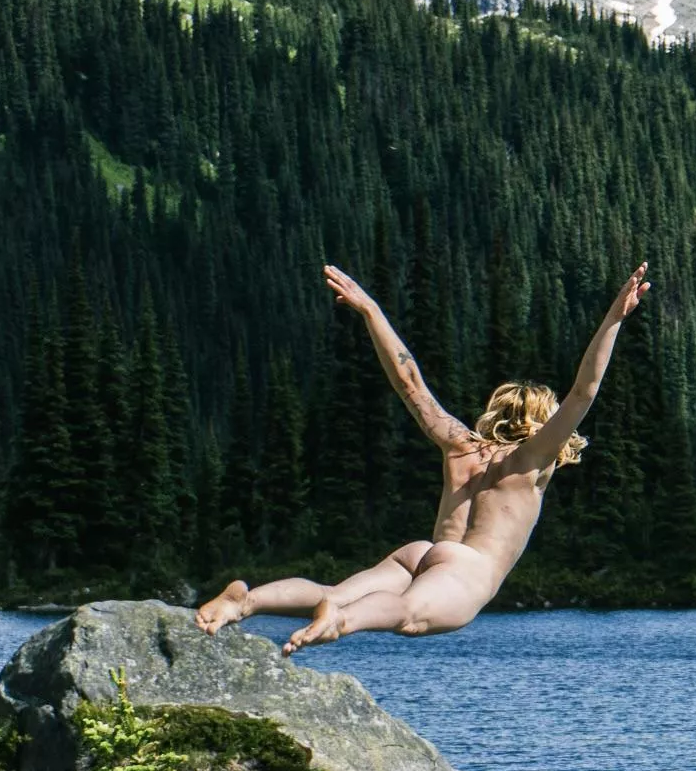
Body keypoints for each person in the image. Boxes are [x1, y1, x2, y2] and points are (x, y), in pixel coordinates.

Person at [196, 259, 650, 651]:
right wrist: (613, 318)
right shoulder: (532, 459)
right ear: (540, 422)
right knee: (408, 612)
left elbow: (409, 382)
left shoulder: (460, 445)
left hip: (422, 551)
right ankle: (340, 620)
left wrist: (371, 311)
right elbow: (584, 391)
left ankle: (247, 600)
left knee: (332, 590)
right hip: (467, 569)